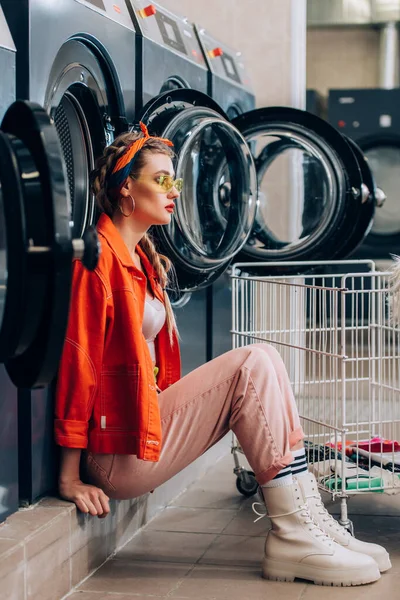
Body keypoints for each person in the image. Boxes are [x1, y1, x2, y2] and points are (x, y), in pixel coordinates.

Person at [55, 123, 390, 587]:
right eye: (162, 179)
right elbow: (80, 367)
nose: (174, 190)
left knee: (265, 357)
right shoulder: (97, 262)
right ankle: (295, 534)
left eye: (176, 179)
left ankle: (307, 520)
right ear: (126, 186)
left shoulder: (140, 258)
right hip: (115, 455)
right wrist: (70, 477)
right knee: (252, 363)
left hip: (141, 431)